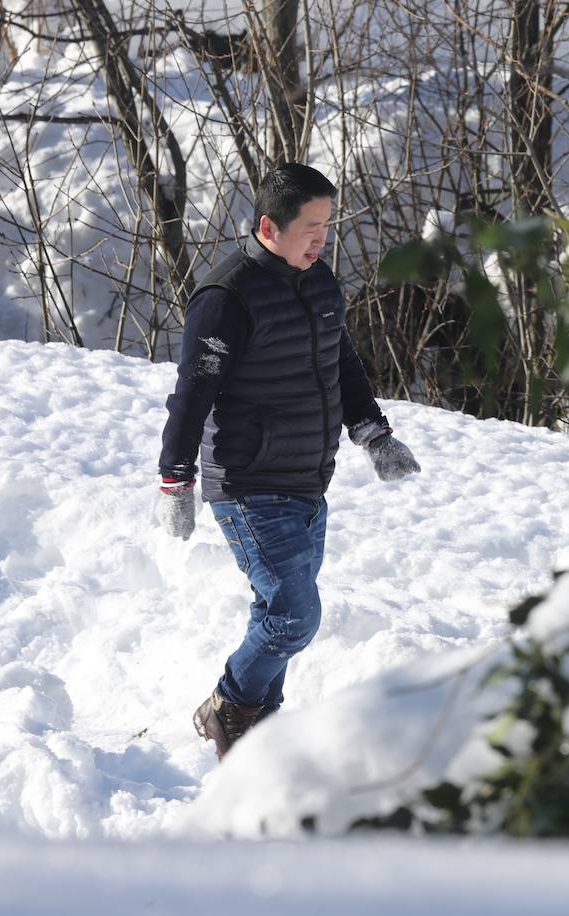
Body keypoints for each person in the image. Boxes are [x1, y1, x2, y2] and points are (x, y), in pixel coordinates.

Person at [156, 163, 420, 760]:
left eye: (328, 224)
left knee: (273, 612)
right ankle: (225, 708)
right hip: (249, 484)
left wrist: (374, 434)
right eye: (311, 226)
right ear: (269, 227)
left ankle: (258, 738)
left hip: (307, 481)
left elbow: (341, 363)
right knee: (293, 617)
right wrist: (176, 479)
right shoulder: (225, 298)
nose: (322, 238)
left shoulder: (319, 281)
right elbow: (193, 391)